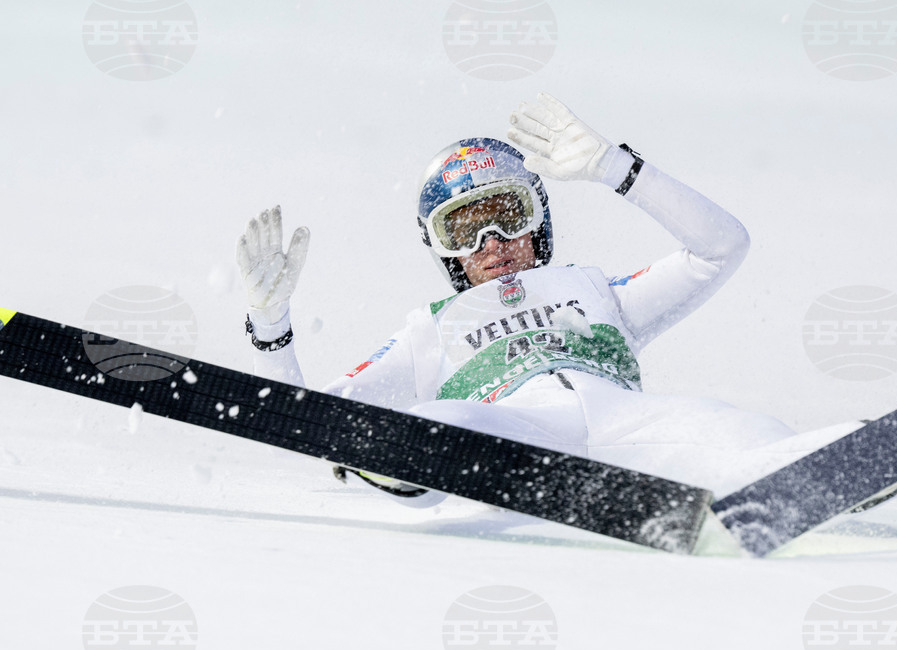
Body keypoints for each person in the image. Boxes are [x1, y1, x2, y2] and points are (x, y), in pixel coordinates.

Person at [236, 92, 798, 505]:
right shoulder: (430, 330)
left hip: (631, 426)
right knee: (441, 424)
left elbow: (722, 247)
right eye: (465, 233)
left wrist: (615, 168)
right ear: (445, 252)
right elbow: (305, 422)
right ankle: (407, 460)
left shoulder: (598, 292)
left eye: (508, 216)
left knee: (750, 432)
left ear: (539, 220)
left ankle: (819, 466)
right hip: (515, 437)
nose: (493, 245)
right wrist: (270, 327)